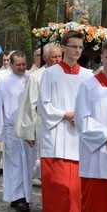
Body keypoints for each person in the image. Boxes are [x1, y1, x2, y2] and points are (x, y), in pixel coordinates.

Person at [37, 30, 93, 211]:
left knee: (76, 191)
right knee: (56, 189)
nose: (77, 50)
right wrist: (65, 115)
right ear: (63, 48)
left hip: (78, 139)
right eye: (73, 46)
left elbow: (92, 105)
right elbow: (43, 105)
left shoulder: (88, 76)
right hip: (56, 139)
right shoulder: (50, 74)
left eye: (80, 47)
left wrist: (83, 117)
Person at [74, 39, 107, 212]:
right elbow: (82, 120)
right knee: (96, 206)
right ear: (101, 57)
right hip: (97, 160)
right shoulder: (88, 86)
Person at [0, 51, 33, 211]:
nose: (21, 68)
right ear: (11, 64)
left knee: (28, 166)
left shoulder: (30, 80)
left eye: (24, 65)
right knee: (15, 165)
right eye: (18, 65)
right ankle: (19, 198)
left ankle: (22, 196)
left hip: (28, 131)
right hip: (12, 130)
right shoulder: (4, 83)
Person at [14, 43, 62, 179]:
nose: (58, 60)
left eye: (60, 56)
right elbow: (30, 105)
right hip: (43, 123)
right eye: (54, 57)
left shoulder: (65, 74)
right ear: (45, 58)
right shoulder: (36, 77)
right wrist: (29, 132)